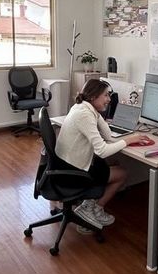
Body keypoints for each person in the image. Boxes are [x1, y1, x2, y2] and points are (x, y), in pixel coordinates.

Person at [55, 78, 151, 229]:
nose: (109, 99)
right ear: (93, 97)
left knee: (113, 163)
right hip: (73, 172)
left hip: (67, 164)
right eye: (106, 95)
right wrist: (129, 140)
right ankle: (92, 209)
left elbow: (107, 135)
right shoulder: (84, 114)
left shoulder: (83, 107)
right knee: (122, 173)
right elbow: (102, 151)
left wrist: (99, 114)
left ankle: (90, 203)